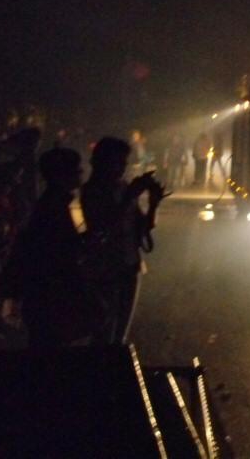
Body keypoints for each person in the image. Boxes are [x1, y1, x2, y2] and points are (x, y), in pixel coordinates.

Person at [6, 147, 98, 348]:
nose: (81, 173)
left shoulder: (53, 202)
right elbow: (79, 239)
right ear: (63, 174)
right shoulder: (64, 205)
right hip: (56, 287)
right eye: (77, 169)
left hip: (44, 287)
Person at [81, 137, 164, 344]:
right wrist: (130, 196)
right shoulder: (92, 191)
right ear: (103, 162)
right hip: (105, 268)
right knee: (103, 332)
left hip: (130, 265)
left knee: (120, 334)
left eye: (124, 162)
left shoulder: (123, 187)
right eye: (118, 162)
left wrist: (154, 203)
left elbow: (144, 227)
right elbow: (102, 227)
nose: (123, 168)